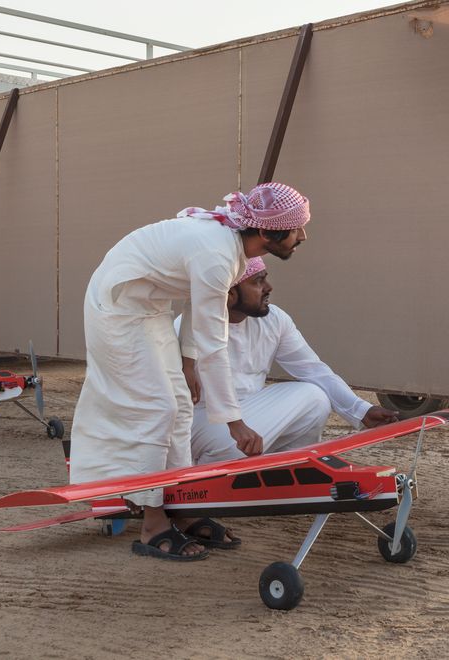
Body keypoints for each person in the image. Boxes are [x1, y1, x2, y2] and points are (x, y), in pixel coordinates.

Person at [69, 182, 311, 561]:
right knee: (158, 408)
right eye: (297, 228)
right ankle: (152, 524)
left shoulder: (230, 251)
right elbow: (215, 343)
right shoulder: (217, 253)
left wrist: (186, 363)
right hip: (116, 308)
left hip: (149, 307)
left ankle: (182, 507)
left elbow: (198, 307)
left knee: (180, 405)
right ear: (267, 232)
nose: (303, 236)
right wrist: (235, 423)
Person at [184, 256, 400, 464]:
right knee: (235, 443)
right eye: (257, 281)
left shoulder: (275, 320)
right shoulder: (188, 332)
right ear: (229, 293)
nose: (268, 287)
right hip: (206, 423)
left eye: (265, 278)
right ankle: (205, 476)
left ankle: (283, 469)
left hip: (251, 413)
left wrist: (361, 410)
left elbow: (314, 371)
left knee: (315, 397)